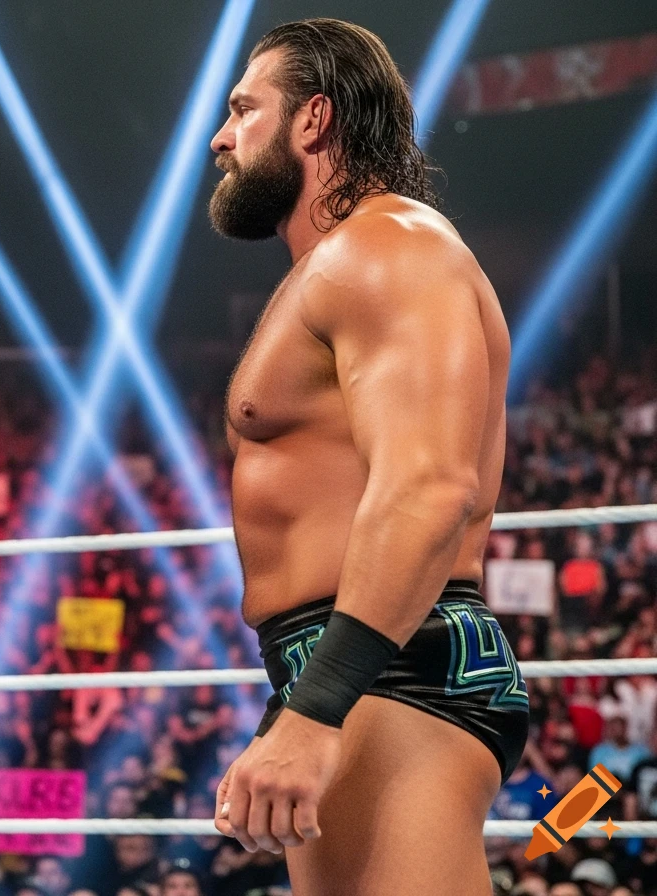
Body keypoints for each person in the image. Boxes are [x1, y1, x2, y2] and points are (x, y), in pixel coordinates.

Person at [205, 18, 528, 894]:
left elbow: (429, 488)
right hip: (358, 663)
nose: (220, 136)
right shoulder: (336, 267)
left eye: (243, 109)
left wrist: (317, 708)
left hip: (394, 664)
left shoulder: (389, 249)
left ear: (313, 120)